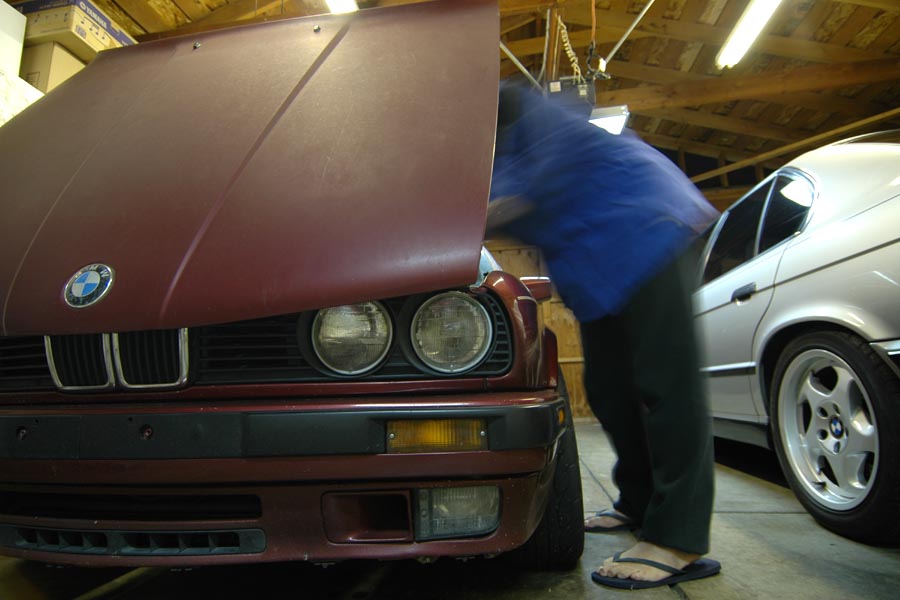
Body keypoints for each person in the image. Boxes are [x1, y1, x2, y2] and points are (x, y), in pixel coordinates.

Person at [486, 82, 721, 590]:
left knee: (666, 384)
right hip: (598, 259)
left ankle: (678, 535)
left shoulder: (529, 114)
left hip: (646, 226)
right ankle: (637, 501)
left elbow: (514, 197)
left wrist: (457, 216)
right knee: (609, 391)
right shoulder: (493, 143)